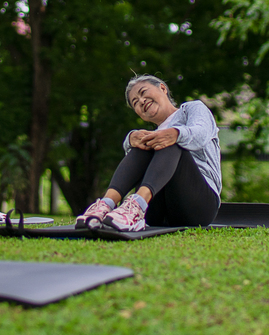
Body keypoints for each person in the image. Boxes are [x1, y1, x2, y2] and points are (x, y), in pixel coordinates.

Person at [75, 74, 222, 232]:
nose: (141, 101)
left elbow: (201, 133)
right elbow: (135, 169)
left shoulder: (192, 109)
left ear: (163, 88)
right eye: (135, 103)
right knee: (144, 141)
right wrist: (130, 139)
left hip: (199, 207)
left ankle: (138, 203)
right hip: (156, 213)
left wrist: (174, 134)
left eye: (143, 92)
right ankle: (105, 205)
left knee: (167, 140)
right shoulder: (151, 136)